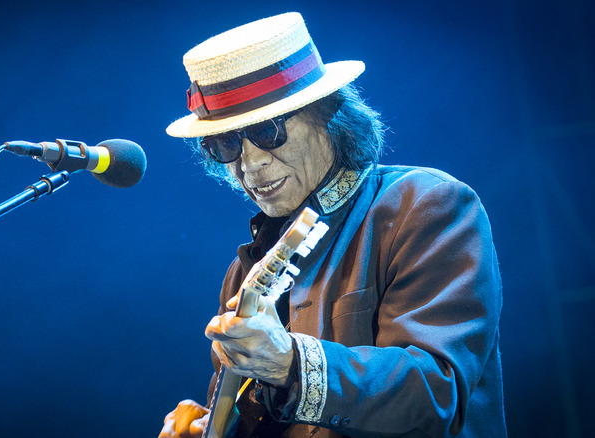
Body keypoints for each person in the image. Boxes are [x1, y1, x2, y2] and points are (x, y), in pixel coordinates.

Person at [160, 12, 506, 438]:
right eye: (226, 144)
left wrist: (291, 363)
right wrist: (211, 425)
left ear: (328, 116)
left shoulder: (426, 204)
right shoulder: (244, 272)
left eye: (267, 131)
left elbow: (436, 393)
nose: (249, 164)